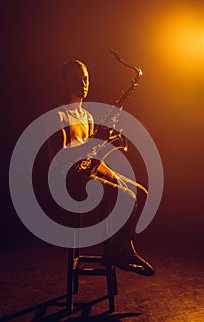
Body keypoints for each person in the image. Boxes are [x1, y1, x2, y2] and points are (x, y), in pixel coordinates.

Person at [48, 59, 154, 276]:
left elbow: (91, 155)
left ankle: (124, 248)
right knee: (123, 193)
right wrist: (92, 146)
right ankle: (114, 250)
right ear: (64, 83)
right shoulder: (58, 115)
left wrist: (106, 142)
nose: (83, 84)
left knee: (140, 193)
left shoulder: (87, 116)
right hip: (69, 179)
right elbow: (58, 159)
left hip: (88, 171)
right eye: (76, 80)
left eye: (85, 79)